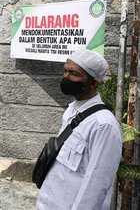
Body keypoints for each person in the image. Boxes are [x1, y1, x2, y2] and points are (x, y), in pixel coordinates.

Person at [37, 49, 122, 210]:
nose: (66, 77)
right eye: (65, 71)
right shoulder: (72, 110)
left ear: (94, 82)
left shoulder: (104, 125)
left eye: (74, 74)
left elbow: (96, 185)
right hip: (49, 203)